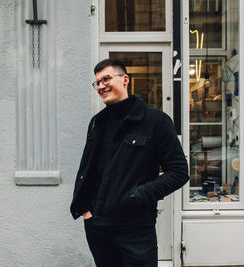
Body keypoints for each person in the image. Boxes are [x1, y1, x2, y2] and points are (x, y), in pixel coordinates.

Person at [70, 59, 189, 267]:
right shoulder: (97, 122)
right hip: (98, 227)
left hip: (136, 228)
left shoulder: (156, 121)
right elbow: (89, 169)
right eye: (97, 82)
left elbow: (179, 172)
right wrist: (86, 212)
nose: (101, 86)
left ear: (125, 80)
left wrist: (139, 195)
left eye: (106, 79)